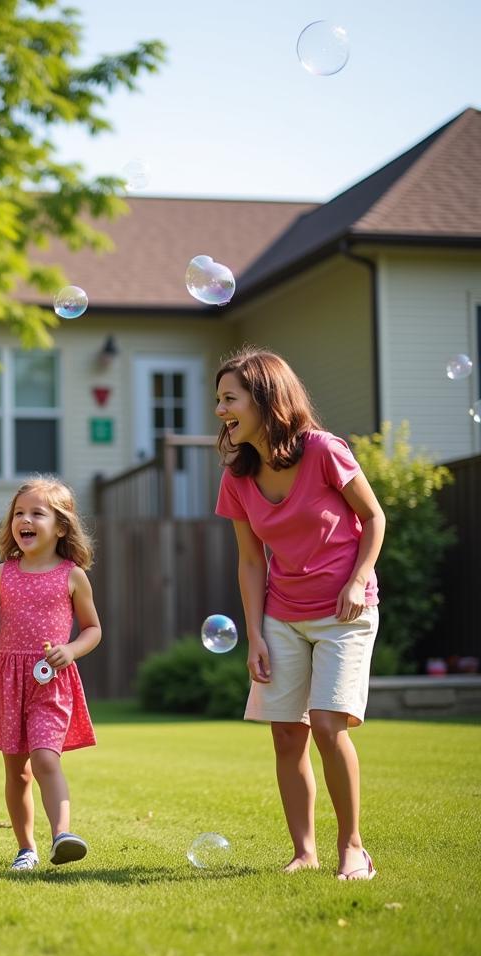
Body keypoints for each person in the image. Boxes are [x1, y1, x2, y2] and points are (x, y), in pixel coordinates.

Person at [213, 347, 385, 880]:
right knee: (288, 734)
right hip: (282, 615)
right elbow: (249, 560)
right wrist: (256, 636)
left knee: (330, 725)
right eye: (218, 400)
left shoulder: (324, 451)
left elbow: (374, 517)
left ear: (265, 398)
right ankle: (304, 852)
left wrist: (358, 579)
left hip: (344, 610)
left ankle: (353, 848)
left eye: (230, 398)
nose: (220, 410)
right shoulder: (238, 477)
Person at [0, 476, 101, 872]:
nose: (25, 519)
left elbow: (93, 629)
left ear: (62, 526)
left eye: (37, 513)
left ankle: (62, 835)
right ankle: (26, 849)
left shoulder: (72, 575)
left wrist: (70, 651)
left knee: (44, 760)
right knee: (16, 772)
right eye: (19, 512)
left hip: (50, 682)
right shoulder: (3, 574)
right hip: (8, 681)